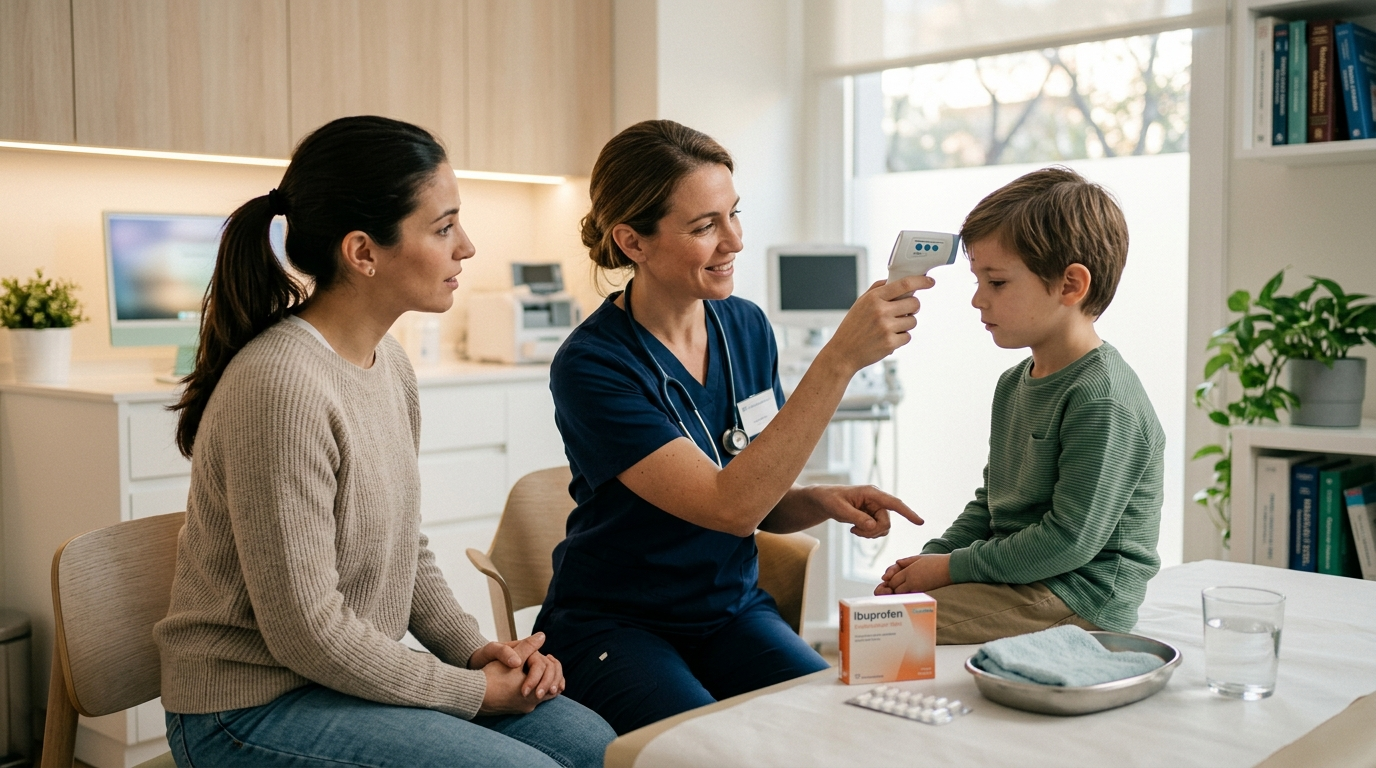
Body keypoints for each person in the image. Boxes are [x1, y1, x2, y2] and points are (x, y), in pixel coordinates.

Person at [154, 116, 615, 768]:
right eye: (444, 226)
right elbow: (308, 633)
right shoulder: (281, 387)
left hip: (342, 683)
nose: (468, 247)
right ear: (363, 252)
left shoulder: (387, 362)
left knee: (594, 745)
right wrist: (470, 692)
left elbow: (406, 547)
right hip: (247, 709)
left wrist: (473, 651)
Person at [533, 119, 931, 735]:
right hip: (616, 623)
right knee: (706, 747)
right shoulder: (593, 366)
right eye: (704, 227)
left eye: (733, 215)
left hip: (730, 611)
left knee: (833, 725)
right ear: (633, 242)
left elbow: (751, 486)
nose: (734, 242)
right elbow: (731, 505)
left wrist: (817, 501)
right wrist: (839, 360)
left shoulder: (743, 327)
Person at [873, 166, 1165, 644]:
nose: (977, 300)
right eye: (977, 280)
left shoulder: (1102, 399)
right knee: (889, 609)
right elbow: (991, 507)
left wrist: (949, 569)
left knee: (887, 631)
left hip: (1079, 591)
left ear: (1071, 285)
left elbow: (1069, 541)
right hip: (1021, 575)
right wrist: (926, 561)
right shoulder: (1014, 384)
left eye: (997, 283)